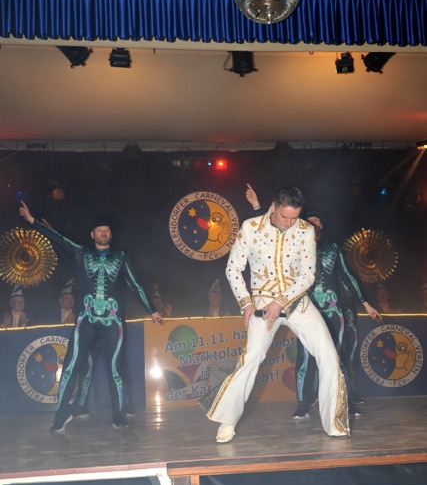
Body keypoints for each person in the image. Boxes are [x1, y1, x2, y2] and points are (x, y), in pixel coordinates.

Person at [199, 186, 350, 442]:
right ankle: (228, 420)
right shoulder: (251, 227)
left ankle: (334, 423)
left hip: (296, 301)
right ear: (273, 207)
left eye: (294, 217)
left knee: (328, 354)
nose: (290, 222)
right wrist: (246, 303)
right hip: (261, 301)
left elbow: (307, 275)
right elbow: (233, 269)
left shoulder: (305, 230)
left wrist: (280, 302)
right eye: (285, 217)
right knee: (252, 357)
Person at [19, 200, 163, 432]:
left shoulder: (121, 256)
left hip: (113, 321)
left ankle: (118, 415)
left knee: (115, 368)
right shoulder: (82, 252)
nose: (104, 233)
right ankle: (61, 414)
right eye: (99, 230)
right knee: (71, 365)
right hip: (86, 319)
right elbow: (58, 238)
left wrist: (151, 309)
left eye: (107, 230)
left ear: (110, 234)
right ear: (92, 234)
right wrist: (32, 221)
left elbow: (135, 284)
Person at [245, 185, 382, 416]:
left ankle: (343, 401)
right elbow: (268, 234)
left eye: (317, 221)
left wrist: (366, 304)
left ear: (322, 226)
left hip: (333, 310)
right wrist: (258, 207)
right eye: (309, 221)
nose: (313, 225)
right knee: (305, 358)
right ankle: (303, 403)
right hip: (305, 307)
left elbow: (349, 276)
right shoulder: (293, 245)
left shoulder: (333, 248)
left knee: (336, 356)